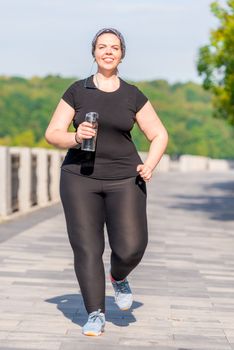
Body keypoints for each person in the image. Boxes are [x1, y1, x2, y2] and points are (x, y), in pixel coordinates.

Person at [45, 27, 168, 336]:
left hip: (125, 177)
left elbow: (158, 134)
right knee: (87, 247)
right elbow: (52, 134)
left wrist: (149, 164)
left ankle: (119, 275)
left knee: (131, 248)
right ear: (94, 53)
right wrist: (75, 136)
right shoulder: (77, 91)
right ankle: (95, 313)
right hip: (79, 178)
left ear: (122, 54)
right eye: (102, 46)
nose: (108, 51)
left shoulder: (133, 95)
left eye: (114, 47)